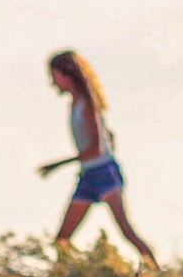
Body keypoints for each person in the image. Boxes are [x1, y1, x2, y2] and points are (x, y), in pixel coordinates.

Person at [40, 49, 157, 263]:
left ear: (66, 74)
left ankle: (158, 276)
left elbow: (97, 148)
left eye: (54, 75)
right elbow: (108, 137)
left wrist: (57, 164)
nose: (53, 82)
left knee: (126, 230)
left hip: (104, 174)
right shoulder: (75, 103)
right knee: (62, 240)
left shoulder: (87, 103)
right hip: (88, 176)